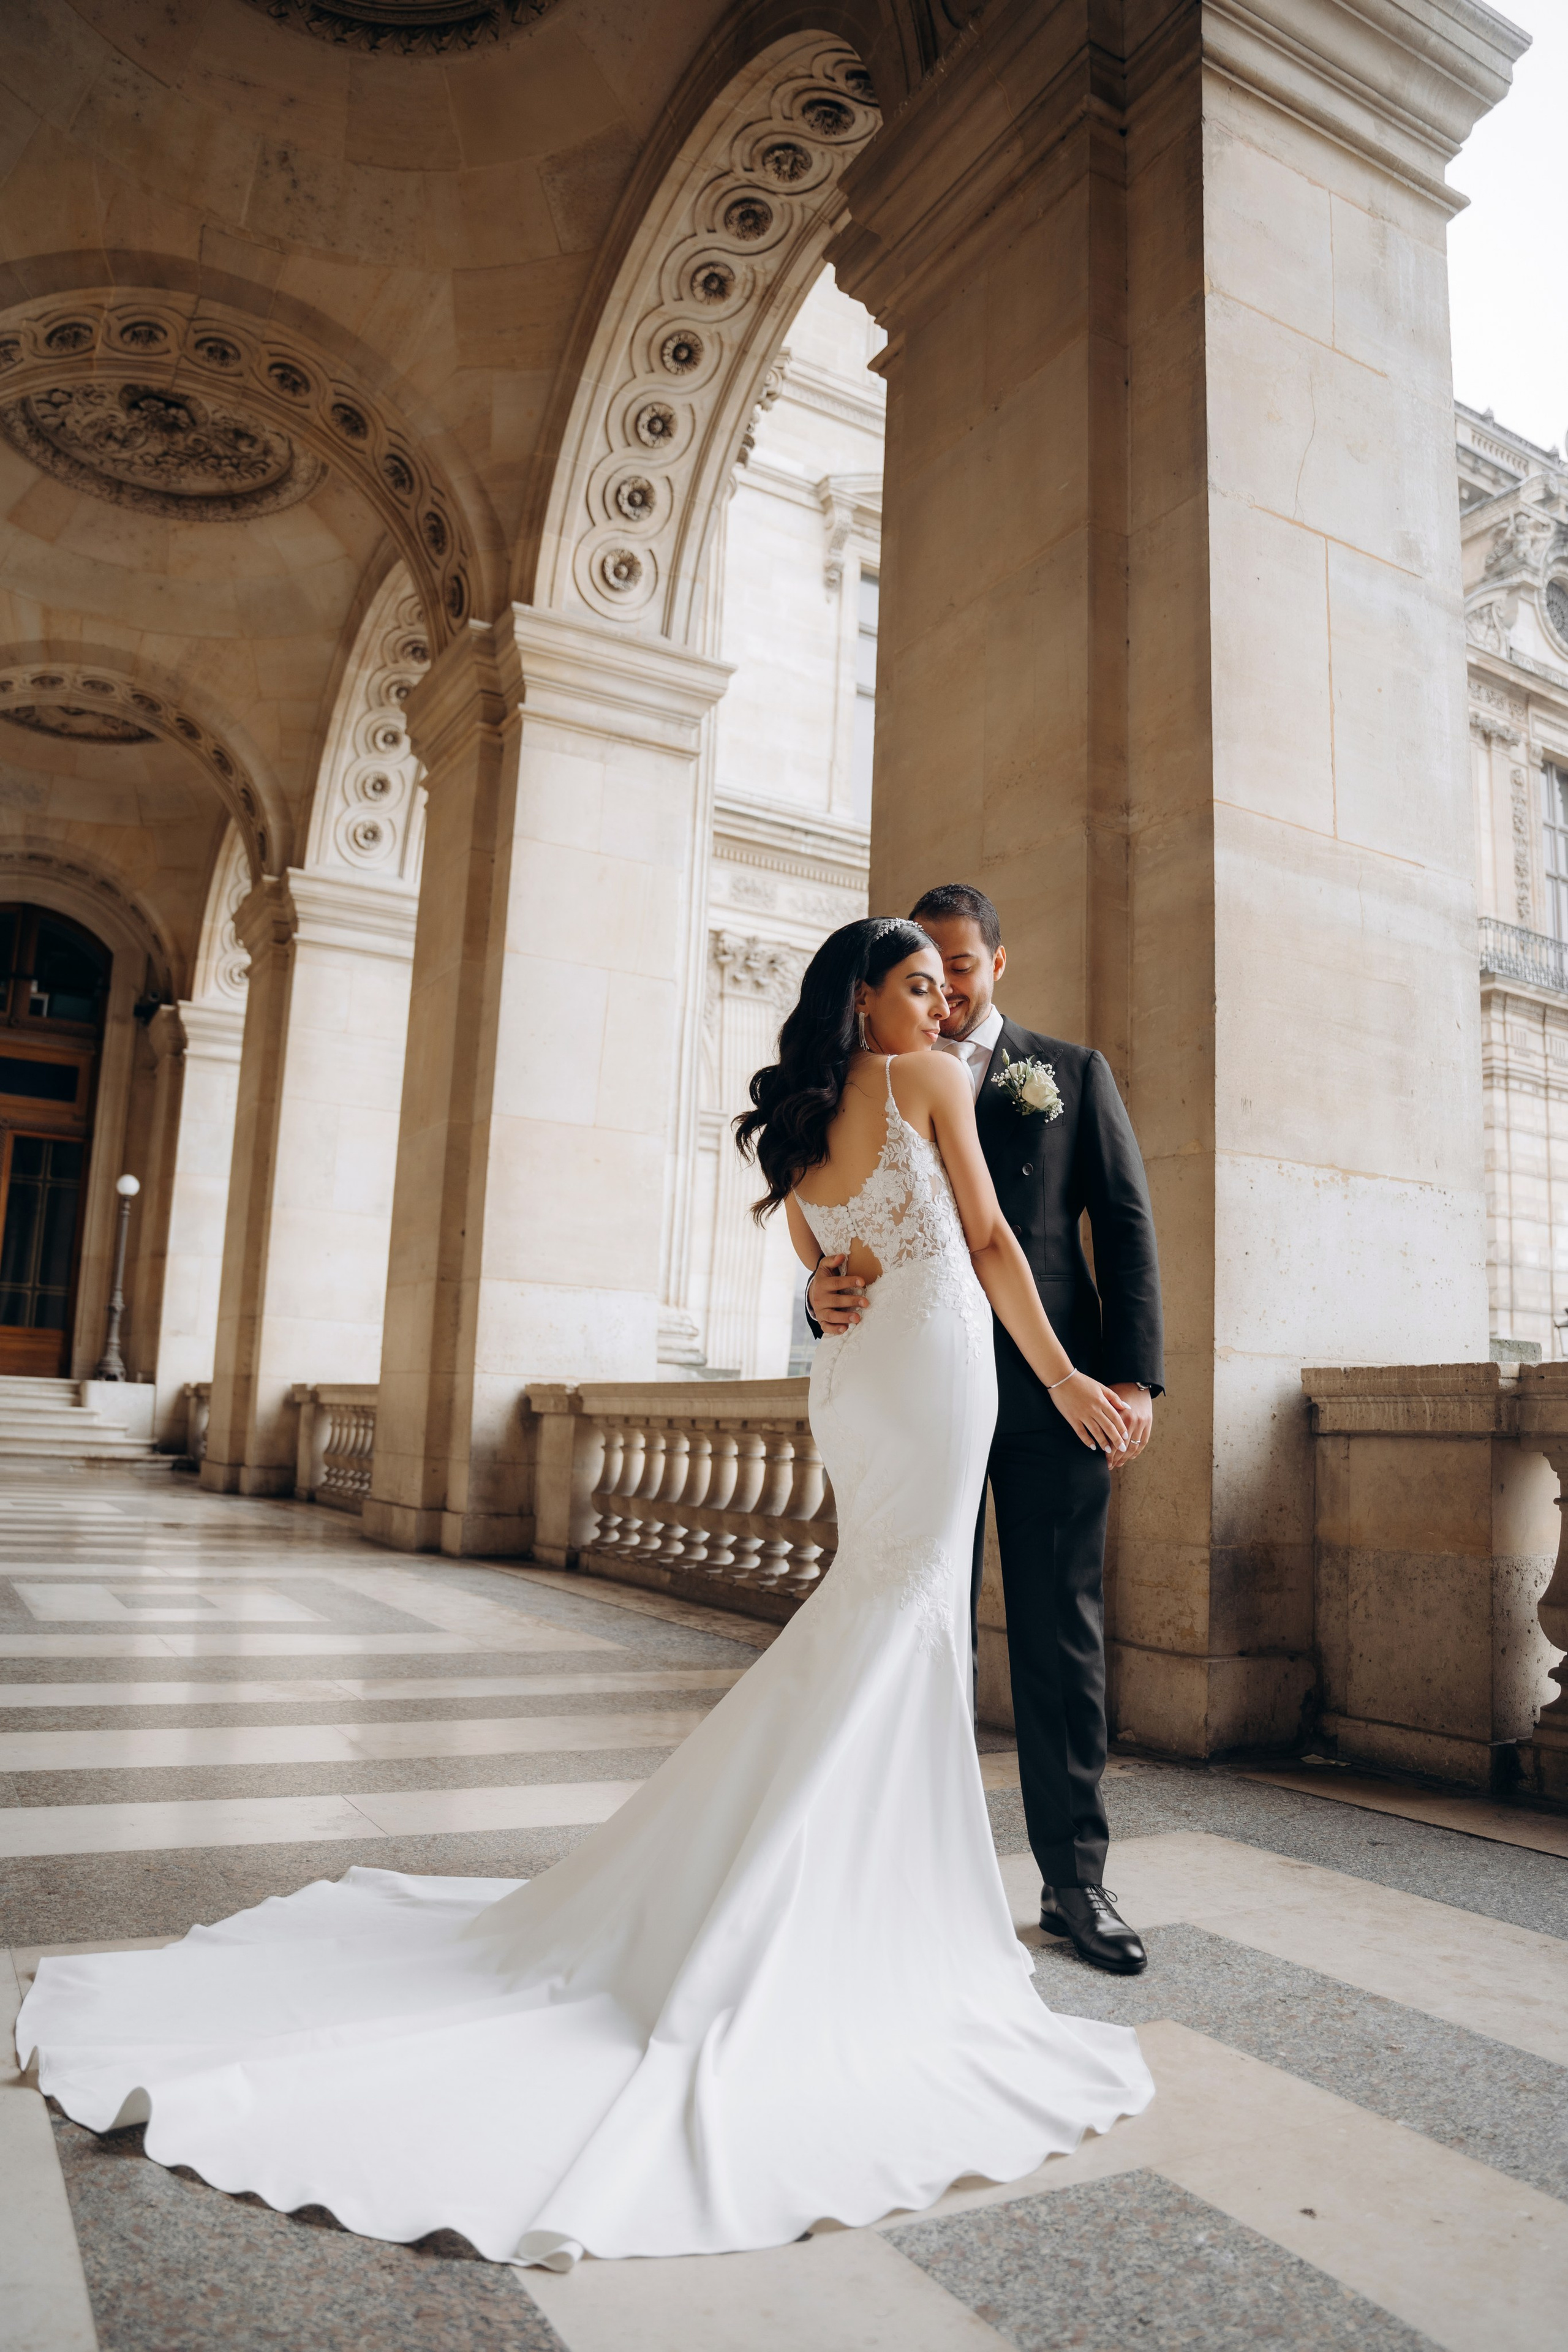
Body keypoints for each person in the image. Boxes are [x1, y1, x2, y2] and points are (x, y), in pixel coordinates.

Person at [16, 918, 1152, 2269]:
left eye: (942, 988)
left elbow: (819, 1267)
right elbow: (987, 1245)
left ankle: (805, 1879)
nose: (940, 1005)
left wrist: (842, 1289)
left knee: (880, 1612)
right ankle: (841, 1902)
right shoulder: (932, 1081)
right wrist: (1068, 1379)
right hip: (939, 1369)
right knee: (897, 1618)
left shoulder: (797, 1126)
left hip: (860, 1388)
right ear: (865, 998)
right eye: (916, 986)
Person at [806, 884, 1163, 1975]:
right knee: (923, 1630)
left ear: (997, 964)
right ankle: (908, 1870)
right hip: (923, 1387)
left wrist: (1132, 1382)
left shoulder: (1072, 1071)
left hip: (1058, 1398)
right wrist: (816, 1299)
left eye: (960, 965)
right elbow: (843, 1233)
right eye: (927, 969)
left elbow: (1127, 1227)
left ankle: (1075, 1883)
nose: (948, 987)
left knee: (1064, 1636)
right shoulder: (865, 1081)